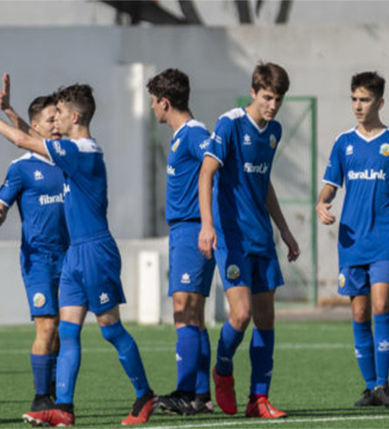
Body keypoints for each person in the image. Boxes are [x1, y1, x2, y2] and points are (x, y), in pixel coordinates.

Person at [0, 67, 157, 427]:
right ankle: (63, 407)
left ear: (74, 117)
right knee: (67, 331)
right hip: (73, 254)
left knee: (110, 329)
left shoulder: (82, 152)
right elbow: (35, 139)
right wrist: (11, 112)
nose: (54, 119)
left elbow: (23, 142)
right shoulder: (68, 151)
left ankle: (144, 396)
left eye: (59, 113)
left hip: (95, 251)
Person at [198, 62, 300, 418]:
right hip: (232, 237)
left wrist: (284, 230)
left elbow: (265, 182)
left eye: (278, 99)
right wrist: (207, 226)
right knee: (240, 315)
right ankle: (223, 370)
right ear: (254, 91)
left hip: (261, 236)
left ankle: (259, 399)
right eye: (268, 97)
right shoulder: (230, 123)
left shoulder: (274, 131)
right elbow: (207, 173)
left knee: (266, 318)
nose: (273, 105)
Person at [316, 71, 389, 408]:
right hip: (351, 241)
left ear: (380, 102)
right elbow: (331, 182)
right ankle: (371, 387)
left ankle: (384, 384)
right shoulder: (343, 142)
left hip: (385, 239)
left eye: (365, 100)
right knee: (359, 314)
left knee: (379, 306)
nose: (358, 106)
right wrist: (321, 202)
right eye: (354, 99)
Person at [0, 74, 66, 412]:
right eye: (52, 120)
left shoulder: (67, 157)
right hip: (39, 260)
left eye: (59, 119)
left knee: (62, 327)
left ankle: (57, 390)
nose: (58, 125)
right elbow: (1, 203)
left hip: (71, 256)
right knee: (46, 325)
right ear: (36, 125)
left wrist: (7, 110)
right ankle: (40, 396)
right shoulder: (20, 168)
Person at [146, 68, 215, 415]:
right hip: (185, 232)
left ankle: (186, 391)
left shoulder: (193, 133)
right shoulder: (179, 136)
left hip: (192, 231)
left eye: (154, 102)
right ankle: (200, 395)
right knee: (195, 316)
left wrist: (206, 224)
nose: (152, 108)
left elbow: (215, 160)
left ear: (165, 102)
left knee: (184, 313)